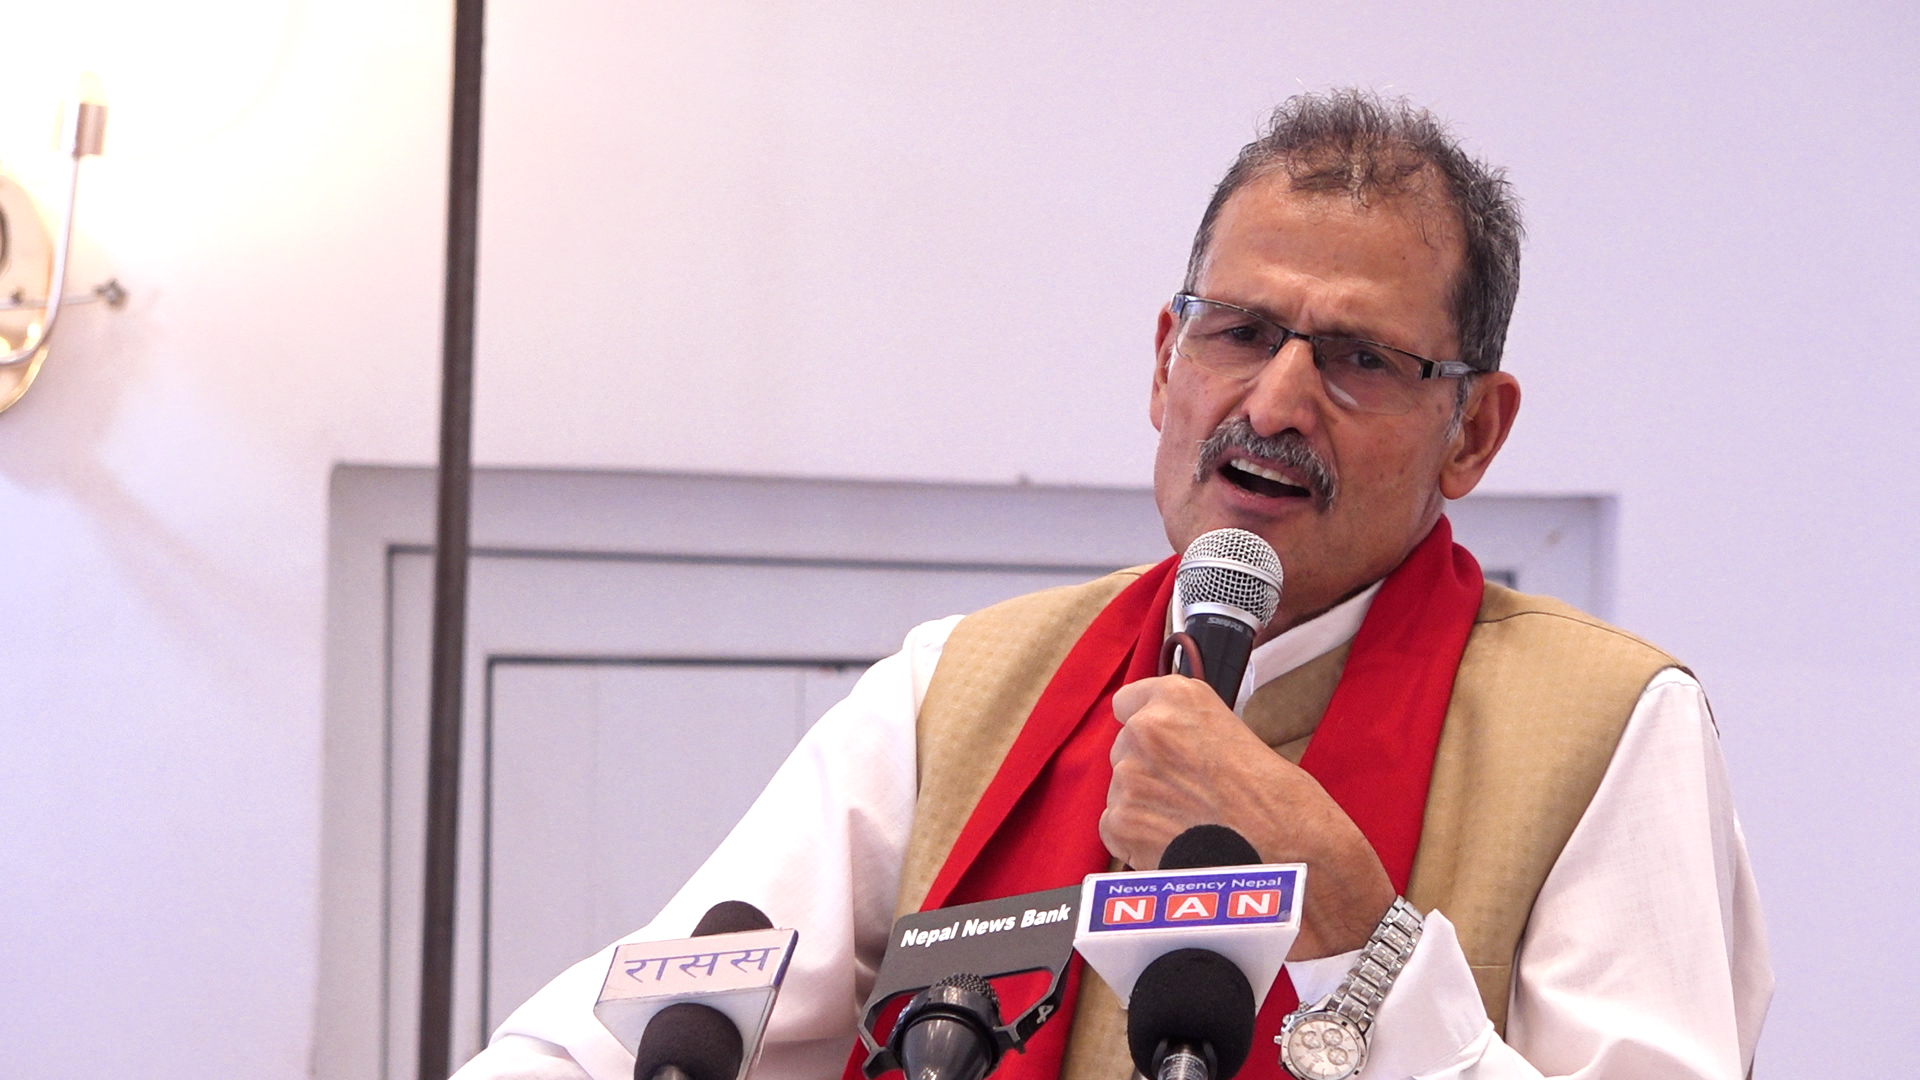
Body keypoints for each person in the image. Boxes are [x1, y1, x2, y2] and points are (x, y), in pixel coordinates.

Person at [454, 89, 1770, 1080]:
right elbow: (627, 1026)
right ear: (1163, 363)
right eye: (1240, 332)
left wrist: (1356, 932)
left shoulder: (1608, 725)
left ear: (1474, 431)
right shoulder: (956, 690)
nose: (1276, 401)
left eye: (1358, 358)